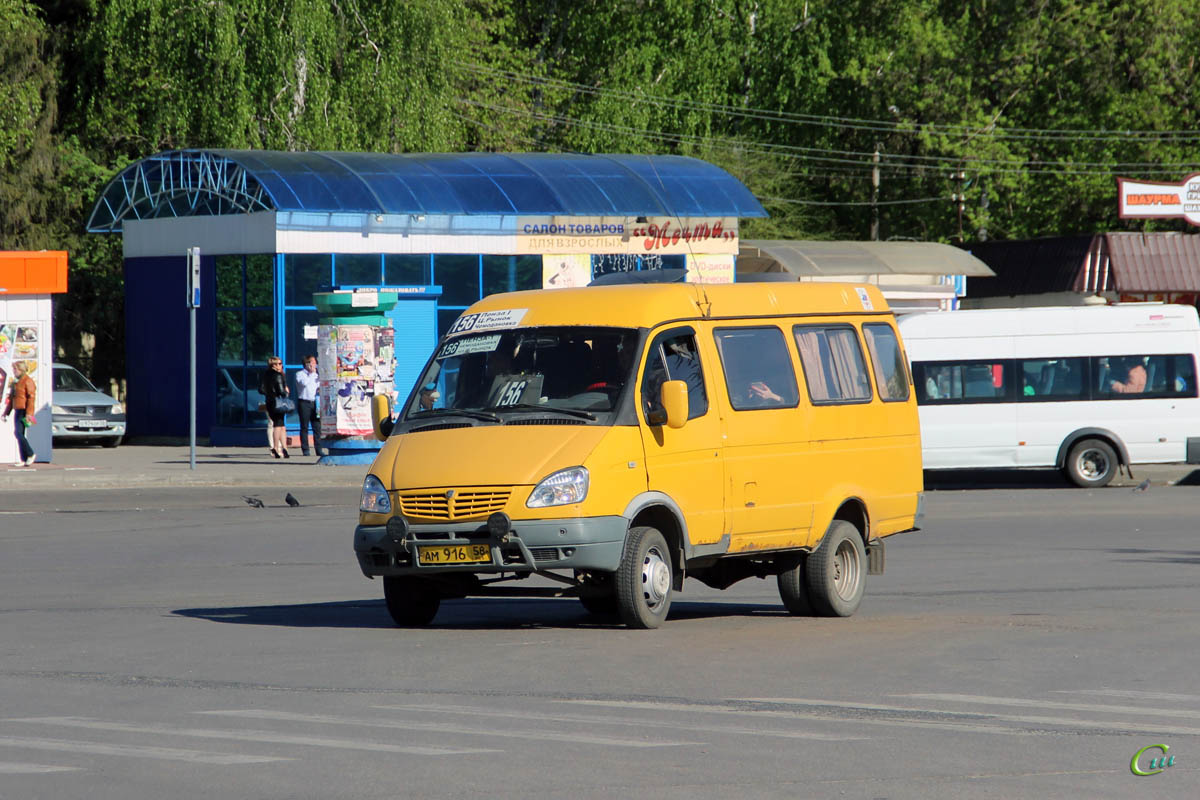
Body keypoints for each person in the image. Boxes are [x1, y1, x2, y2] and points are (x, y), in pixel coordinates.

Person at [2, 360, 37, 466]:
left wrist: (29, 413)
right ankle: (24, 458)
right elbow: (12, 398)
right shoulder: (16, 382)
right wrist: (6, 413)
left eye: (15, 369)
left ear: (21, 369)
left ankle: (30, 454)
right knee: (19, 434)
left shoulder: (27, 380)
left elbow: (31, 397)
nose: (14, 371)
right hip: (17, 409)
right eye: (13, 368)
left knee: (18, 433)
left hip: (24, 410)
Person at [259, 355, 290, 458]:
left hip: (269, 401)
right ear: (273, 365)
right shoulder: (278, 375)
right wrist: (286, 392)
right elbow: (281, 391)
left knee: (280, 425)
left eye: (280, 363)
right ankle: (276, 448)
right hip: (278, 402)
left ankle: (284, 448)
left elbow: (261, 389)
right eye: (278, 364)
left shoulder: (266, 375)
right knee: (278, 425)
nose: (280, 366)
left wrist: (269, 393)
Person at [294, 354, 322, 457]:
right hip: (304, 402)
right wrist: (311, 373)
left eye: (315, 362)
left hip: (315, 402)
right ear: (307, 363)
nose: (315, 365)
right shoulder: (300, 374)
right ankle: (305, 449)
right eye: (313, 362)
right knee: (304, 427)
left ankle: (319, 449)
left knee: (317, 426)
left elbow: (319, 386)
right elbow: (304, 383)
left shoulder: (316, 375)